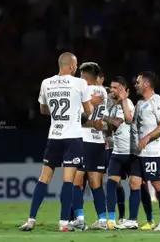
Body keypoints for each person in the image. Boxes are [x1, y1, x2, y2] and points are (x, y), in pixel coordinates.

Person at [20, 52, 94, 232]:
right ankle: (63, 223)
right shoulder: (80, 83)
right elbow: (89, 111)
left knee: (43, 178)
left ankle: (31, 220)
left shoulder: (46, 83)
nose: (76, 68)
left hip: (54, 136)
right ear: (70, 66)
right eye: (75, 65)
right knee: (68, 180)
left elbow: (43, 110)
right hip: (73, 138)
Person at [117, 71, 160, 231]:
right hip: (138, 153)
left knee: (158, 184)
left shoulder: (158, 101)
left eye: (138, 82)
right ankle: (132, 220)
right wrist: (124, 100)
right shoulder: (140, 104)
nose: (136, 84)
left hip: (152, 152)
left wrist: (146, 138)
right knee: (134, 183)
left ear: (147, 84)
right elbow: (129, 120)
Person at [70, 62, 108, 230]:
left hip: (84, 140)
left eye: (81, 75)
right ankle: (102, 219)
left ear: (85, 77)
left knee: (76, 181)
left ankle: (79, 218)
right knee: (95, 182)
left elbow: (80, 115)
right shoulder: (103, 92)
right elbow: (100, 122)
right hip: (98, 141)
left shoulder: (83, 91)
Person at [102, 76, 136, 229]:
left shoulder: (126, 103)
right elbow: (111, 127)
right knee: (113, 184)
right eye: (111, 87)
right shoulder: (113, 105)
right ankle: (113, 219)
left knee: (137, 185)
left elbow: (118, 122)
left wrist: (101, 116)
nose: (112, 90)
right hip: (116, 149)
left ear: (123, 89)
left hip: (130, 151)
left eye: (115, 87)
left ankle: (145, 219)